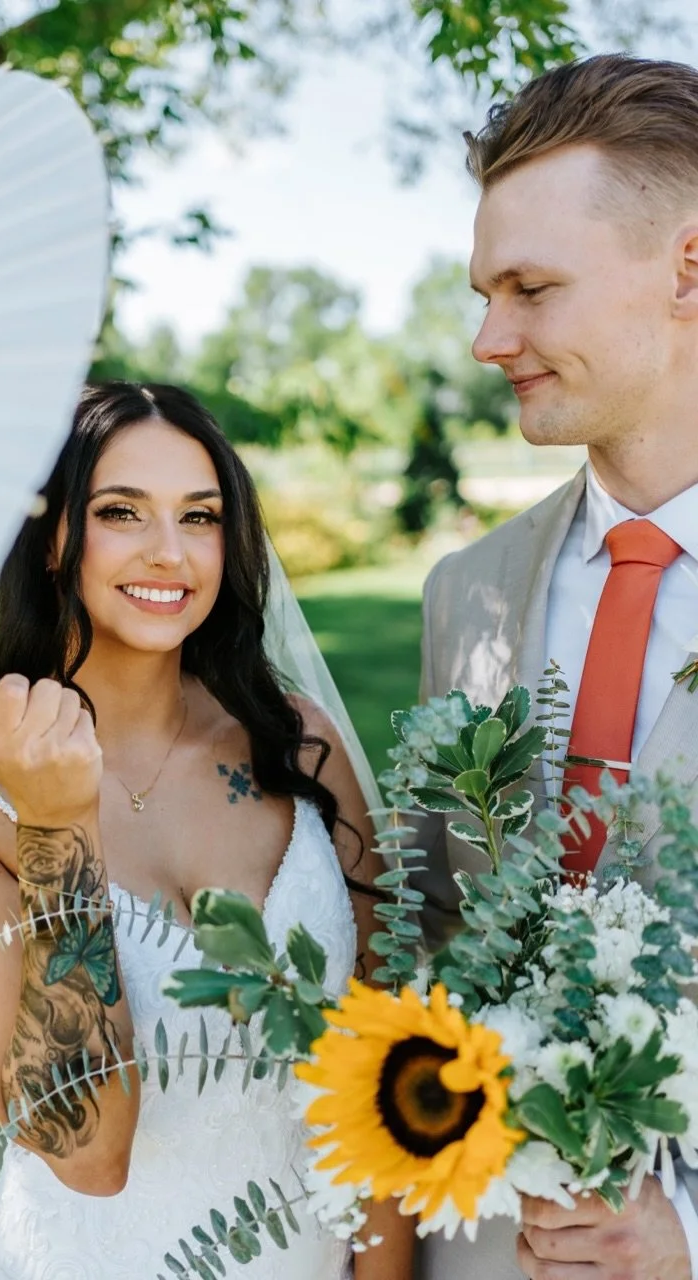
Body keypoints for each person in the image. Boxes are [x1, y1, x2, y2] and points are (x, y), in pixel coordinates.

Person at [0, 380, 414, 1279]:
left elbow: (391, 1058)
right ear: (51, 538)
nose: (171, 554)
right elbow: (85, 1151)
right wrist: (57, 824)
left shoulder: (298, 742)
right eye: (122, 512)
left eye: (200, 517)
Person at [416, 53, 698, 1280]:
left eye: (531, 288)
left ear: (690, 266)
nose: (489, 338)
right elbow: (432, 924)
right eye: (486, 291)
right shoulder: (465, 596)